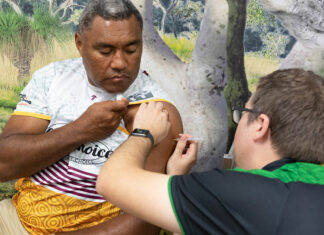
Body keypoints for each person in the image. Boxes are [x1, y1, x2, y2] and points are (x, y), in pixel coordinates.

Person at [0, 0, 182, 234]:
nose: (119, 63)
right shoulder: (53, 77)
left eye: (131, 49)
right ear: (79, 43)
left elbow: (145, 221)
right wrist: (80, 131)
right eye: (105, 51)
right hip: (14, 219)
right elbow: (4, 165)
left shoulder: (157, 113)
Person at [97, 69, 324, 235]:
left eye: (242, 113)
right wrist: (177, 179)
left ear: (260, 126)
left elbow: (112, 181)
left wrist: (144, 132)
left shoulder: (247, 192)